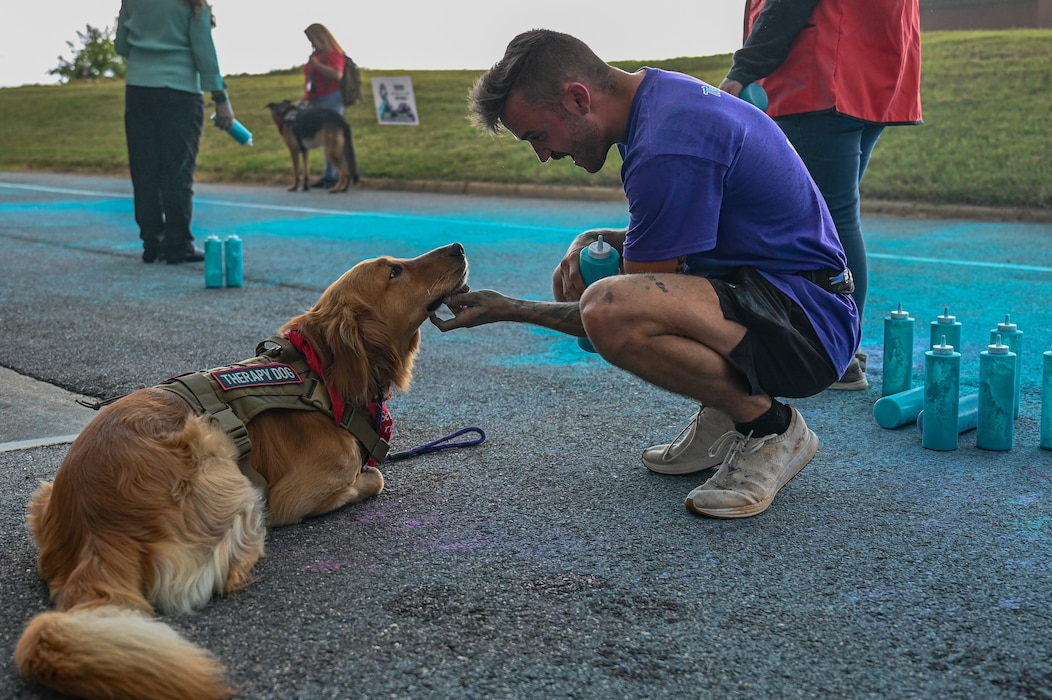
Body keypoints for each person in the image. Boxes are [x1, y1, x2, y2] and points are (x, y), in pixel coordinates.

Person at [430, 29, 860, 520]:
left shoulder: (665, 148)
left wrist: (507, 308)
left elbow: (622, 307)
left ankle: (770, 427)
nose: (543, 155)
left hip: (809, 328)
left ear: (577, 98)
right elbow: (674, 238)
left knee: (611, 310)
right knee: (619, 296)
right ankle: (723, 413)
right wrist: (589, 238)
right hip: (789, 296)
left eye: (538, 136)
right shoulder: (660, 98)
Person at [720, 0, 923, 390]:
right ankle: (839, 346)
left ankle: (836, 353)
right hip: (876, 68)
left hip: (823, 72)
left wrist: (743, 70)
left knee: (830, 218)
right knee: (837, 216)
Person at [115, 0, 235, 264]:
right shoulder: (192, 2)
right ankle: (178, 245)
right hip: (180, 92)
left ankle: (152, 242)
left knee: (145, 170)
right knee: (177, 171)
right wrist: (220, 97)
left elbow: (121, 45)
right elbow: (204, 50)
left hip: (139, 90)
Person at [302, 23, 347, 189]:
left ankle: (335, 175)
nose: (311, 42)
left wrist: (317, 66)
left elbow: (337, 74)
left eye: (312, 39)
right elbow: (311, 80)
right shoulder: (317, 55)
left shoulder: (334, 54)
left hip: (331, 99)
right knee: (324, 139)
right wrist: (305, 97)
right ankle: (329, 174)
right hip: (316, 98)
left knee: (331, 138)